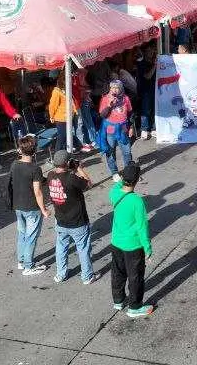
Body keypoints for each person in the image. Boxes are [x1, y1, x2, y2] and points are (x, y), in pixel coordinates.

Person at [46, 150, 100, 284]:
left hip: (60, 220)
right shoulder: (72, 178)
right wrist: (79, 169)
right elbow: (88, 183)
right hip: (77, 221)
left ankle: (60, 274)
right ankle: (87, 276)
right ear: (68, 162)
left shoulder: (50, 175)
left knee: (61, 248)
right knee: (83, 249)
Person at [110, 163, 154, 317]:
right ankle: (134, 307)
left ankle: (118, 300)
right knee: (135, 277)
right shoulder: (136, 201)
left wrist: (124, 178)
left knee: (118, 272)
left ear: (123, 178)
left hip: (116, 242)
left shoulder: (114, 192)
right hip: (133, 245)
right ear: (137, 181)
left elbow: (119, 184)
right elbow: (142, 227)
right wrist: (147, 248)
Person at [9, 135, 50, 275]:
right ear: (35, 150)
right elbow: (37, 192)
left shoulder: (14, 164)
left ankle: (21, 261)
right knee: (31, 237)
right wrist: (44, 210)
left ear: (20, 149)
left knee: (22, 234)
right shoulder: (35, 169)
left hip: (18, 206)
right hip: (32, 207)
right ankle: (28, 266)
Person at [97, 80, 134, 182]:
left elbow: (130, 113)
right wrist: (109, 105)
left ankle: (128, 171)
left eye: (117, 87)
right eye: (112, 87)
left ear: (121, 88)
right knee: (111, 151)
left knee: (127, 151)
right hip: (110, 129)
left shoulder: (126, 98)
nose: (114, 90)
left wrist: (131, 127)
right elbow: (102, 115)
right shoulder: (105, 99)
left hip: (123, 128)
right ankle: (114, 172)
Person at [47, 72, 76, 152]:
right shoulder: (56, 91)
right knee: (61, 137)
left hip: (68, 117)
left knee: (67, 137)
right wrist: (51, 116)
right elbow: (52, 106)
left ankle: (65, 154)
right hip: (61, 118)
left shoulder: (66, 89)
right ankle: (57, 155)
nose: (71, 81)